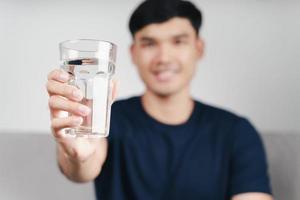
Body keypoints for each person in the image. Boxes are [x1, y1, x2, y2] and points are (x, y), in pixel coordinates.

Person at [46, 0, 273, 199]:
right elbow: (83, 167)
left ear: (199, 48)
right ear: (133, 53)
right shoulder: (108, 118)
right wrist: (76, 154)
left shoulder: (236, 132)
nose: (163, 58)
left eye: (178, 42)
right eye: (149, 44)